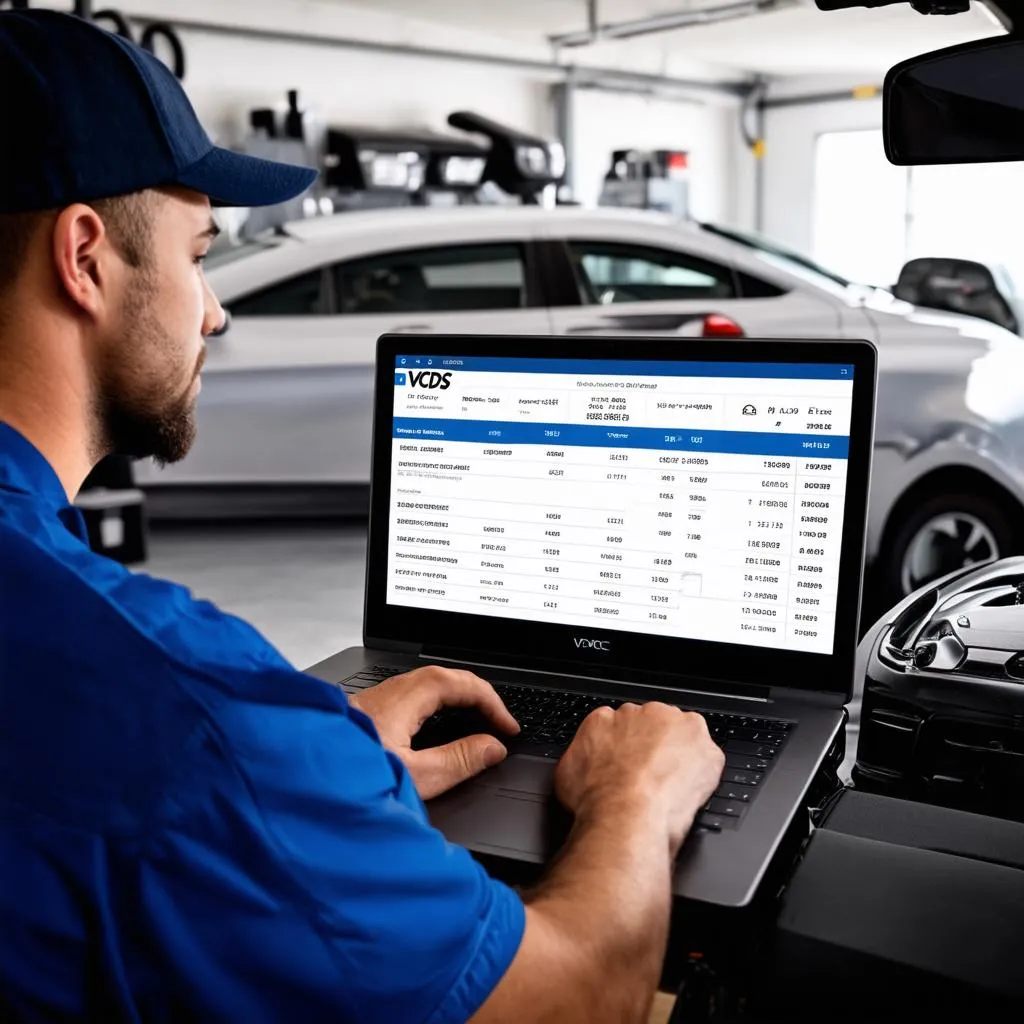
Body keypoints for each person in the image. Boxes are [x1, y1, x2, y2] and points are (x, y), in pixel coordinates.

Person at [0, 10, 725, 1023]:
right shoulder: (185, 707)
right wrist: (636, 797)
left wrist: (311, 765)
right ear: (84, 258)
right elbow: (577, 998)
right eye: (199, 252)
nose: (212, 308)